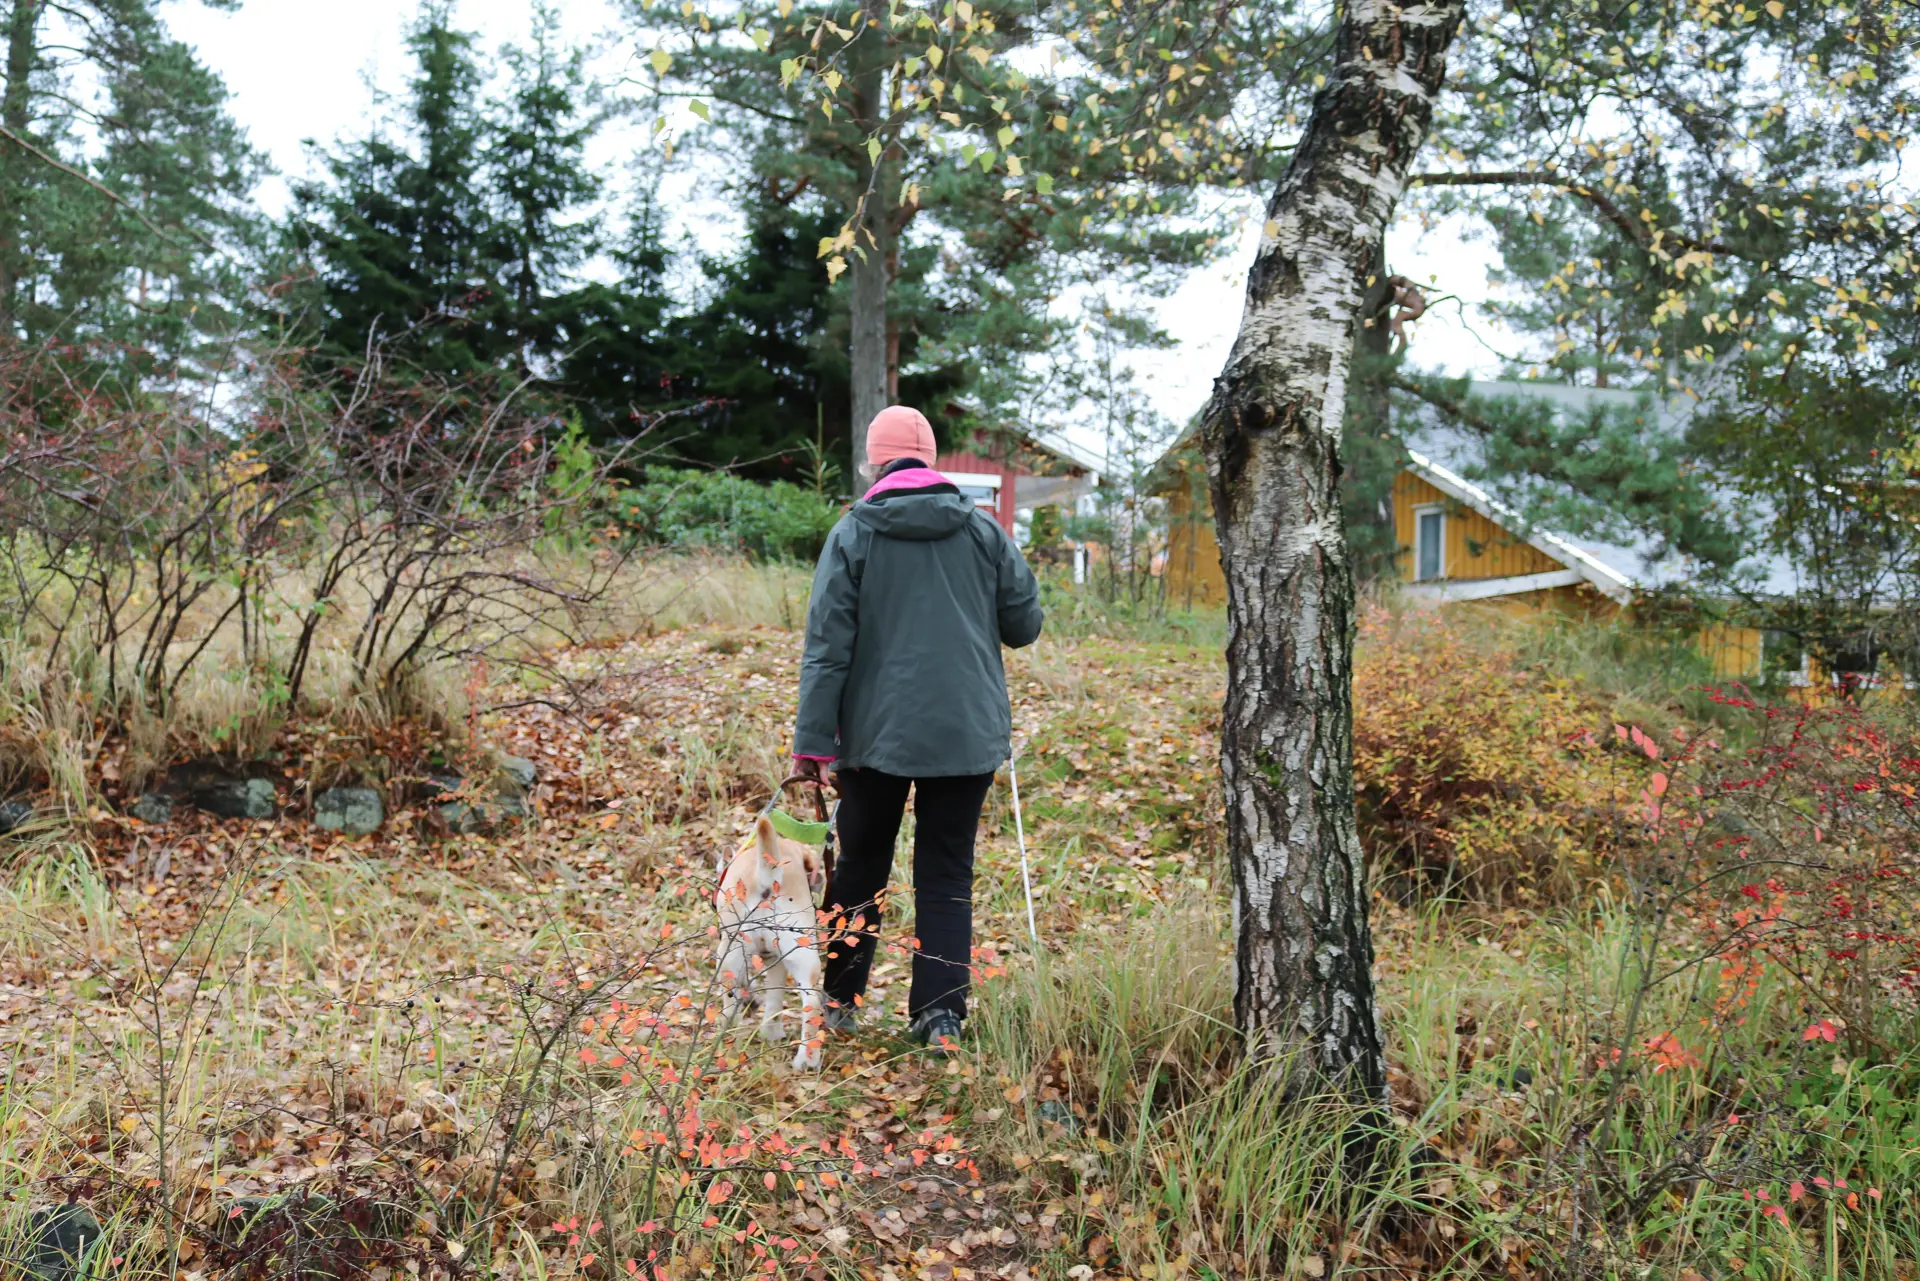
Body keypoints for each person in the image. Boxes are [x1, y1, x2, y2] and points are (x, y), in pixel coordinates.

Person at [791, 405, 1044, 1051]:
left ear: (874, 461)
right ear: (930, 458)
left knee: (860, 865)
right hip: (964, 734)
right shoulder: (984, 532)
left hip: (871, 737)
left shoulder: (852, 533)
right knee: (946, 872)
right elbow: (1024, 625)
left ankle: (840, 999)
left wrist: (813, 744)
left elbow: (826, 647)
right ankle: (940, 1016)